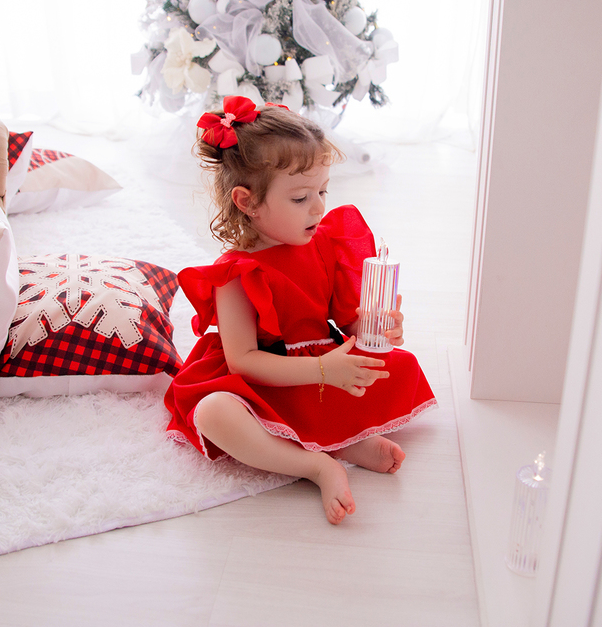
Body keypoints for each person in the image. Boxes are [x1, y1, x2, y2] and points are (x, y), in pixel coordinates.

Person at [164, 96, 437, 524]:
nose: (319, 207)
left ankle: (339, 439)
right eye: (300, 197)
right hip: (266, 381)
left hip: (322, 366)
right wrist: (325, 371)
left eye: (322, 191)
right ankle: (316, 463)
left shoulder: (323, 243)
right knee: (214, 412)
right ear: (247, 202)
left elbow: (343, 320)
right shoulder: (236, 274)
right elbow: (244, 361)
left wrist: (374, 327)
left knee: (396, 363)